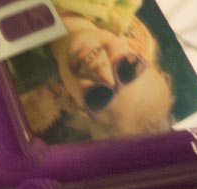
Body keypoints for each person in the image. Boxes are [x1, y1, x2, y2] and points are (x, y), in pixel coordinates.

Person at [47, 0, 178, 137]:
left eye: (98, 97)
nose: (102, 71)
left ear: (73, 101)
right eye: (126, 70)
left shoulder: (26, 66)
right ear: (135, 46)